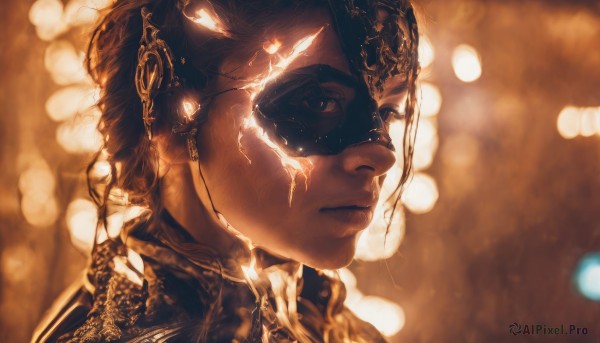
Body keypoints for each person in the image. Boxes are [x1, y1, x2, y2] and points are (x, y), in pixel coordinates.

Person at [32, 0, 420, 341]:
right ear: (173, 117)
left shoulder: (327, 323)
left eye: (387, 112)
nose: (383, 154)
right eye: (318, 101)